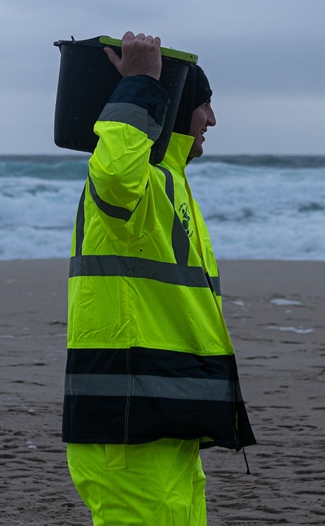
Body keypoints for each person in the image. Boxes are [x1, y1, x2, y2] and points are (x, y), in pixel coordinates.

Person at [63, 30, 256, 525]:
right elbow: (114, 176)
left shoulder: (173, 184)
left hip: (165, 417)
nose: (212, 119)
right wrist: (140, 85)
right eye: (205, 105)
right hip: (130, 417)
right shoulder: (140, 182)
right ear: (178, 105)